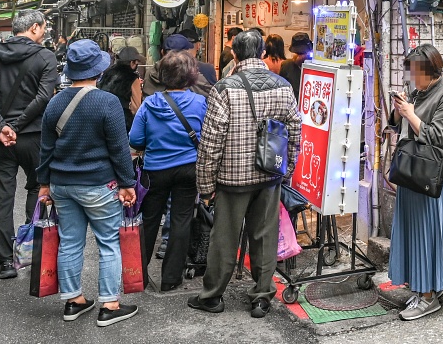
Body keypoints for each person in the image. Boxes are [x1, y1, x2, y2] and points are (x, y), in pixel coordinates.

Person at [190, 30, 302, 319]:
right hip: (270, 174)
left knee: (224, 238)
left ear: (235, 55)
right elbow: (295, 129)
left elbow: (211, 141)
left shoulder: (225, 88)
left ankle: (212, 296)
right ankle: (262, 297)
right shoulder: (282, 85)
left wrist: (205, 185)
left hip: (232, 178)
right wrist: (287, 168)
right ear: (263, 53)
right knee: (265, 236)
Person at [36, 39, 138, 326]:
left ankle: (73, 301)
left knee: (70, 241)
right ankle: (109, 305)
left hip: (62, 184)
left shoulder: (55, 102)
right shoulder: (107, 102)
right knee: (108, 243)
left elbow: (46, 148)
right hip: (98, 184)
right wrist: (127, 183)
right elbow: (119, 148)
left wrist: (44, 183)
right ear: (99, 70)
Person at [0, 10, 58, 280]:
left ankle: (5, 262)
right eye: (43, 27)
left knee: (1, 199)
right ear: (34, 28)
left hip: (0, 139)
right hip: (34, 137)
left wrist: (0, 126)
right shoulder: (45, 56)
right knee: (37, 188)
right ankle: (30, 250)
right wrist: (17, 126)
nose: (44, 32)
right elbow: (45, 96)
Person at [389, 44, 443, 320]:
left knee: (427, 235)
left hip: (433, 177)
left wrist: (409, 112)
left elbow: (435, 136)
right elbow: (399, 126)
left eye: (414, 71)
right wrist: (399, 111)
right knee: (413, 233)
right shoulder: (417, 93)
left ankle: (429, 296)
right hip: (411, 173)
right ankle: (421, 288)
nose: (410, 76)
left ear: (430, 71)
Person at [130, 51, 206, 292]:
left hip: (155, 170)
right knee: (181, 219)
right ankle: (171, 278)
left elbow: (135, 139)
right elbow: (207, 137)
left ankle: (138, 274)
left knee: (149, 220)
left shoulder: (149, 103)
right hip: (188, 169)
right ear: (190, 76)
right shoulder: (200, 103)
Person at [144, 34, 213, 98]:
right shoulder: (192, 74)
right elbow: (208, 96)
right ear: (185, 54)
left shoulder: (150, 73)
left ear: (162, 52)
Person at [97, 46, 144, 131]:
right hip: (122, 121)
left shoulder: (108, 72)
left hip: (101, 116)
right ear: (132, 62)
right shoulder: (132, 78)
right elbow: (136, 107)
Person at [281, 33, 312, 100]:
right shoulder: (286, 65)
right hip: (292, 103)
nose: (301, 56)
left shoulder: (314, 67)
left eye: (303, 53)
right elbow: (282, 88)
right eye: (298, 53)